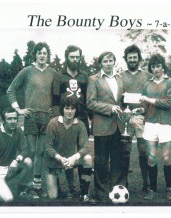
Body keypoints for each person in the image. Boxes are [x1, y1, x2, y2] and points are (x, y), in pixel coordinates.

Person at [6, 42, 56, 198]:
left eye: (45, 53)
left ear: (48, 55)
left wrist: (54, 111)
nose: (42, 55)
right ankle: (23, 185)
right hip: (30, 117)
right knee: (31, 151)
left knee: (41, 152)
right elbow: (11, 90)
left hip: (47, 118)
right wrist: (18, 109)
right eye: (39, 53)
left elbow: (57, 95)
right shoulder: (27, 71)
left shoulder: (53, 72)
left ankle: (36, 186)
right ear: (35, 55)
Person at [86, 51, 126, 202]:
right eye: (105, 61)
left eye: (110, 61)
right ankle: (101, 193)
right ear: (100, 64)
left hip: (119, 126)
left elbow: (122, 102)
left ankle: (116, 191)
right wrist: (110, 108)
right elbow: (90, 102)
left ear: (114, 62)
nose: (108, 64)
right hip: (102, 126)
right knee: (101, 162)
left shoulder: (120, 79)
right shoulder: (93, 79)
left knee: (117, 160)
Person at [52, 45, 91, 198]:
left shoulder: (84, 76)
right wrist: (58, 119)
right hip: (64, 119)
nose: (75, 59)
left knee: (82, 153)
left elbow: (88, 99)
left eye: (77, 57)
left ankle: (83, 190)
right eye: (72, 57)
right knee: (65, 152)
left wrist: (90, 118)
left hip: (81, 119)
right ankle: (67, 187)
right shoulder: (59, 76)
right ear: (66, 57)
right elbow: (55, 99)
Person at [137, 54, 171, 200]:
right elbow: (145, 106)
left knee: (167, 158)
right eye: (153, 66)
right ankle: (152, 190)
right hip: (150, 123)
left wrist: (148, 99)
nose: (156, 69)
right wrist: (140, 110)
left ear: (163, 66)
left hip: (165, 124)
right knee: (151, 158)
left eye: (158, 66)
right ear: (151, 68)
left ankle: (169, 189)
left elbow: (167, 103)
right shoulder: (147, 84)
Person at [43, 96, 96, 204]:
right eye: (67, 108)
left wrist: (73, 158)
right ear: (62, 109)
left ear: (76, 110)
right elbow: (48, 147)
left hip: (70, 161)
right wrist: (59, 157)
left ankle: (84, 193)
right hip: (53, 161)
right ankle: (57, 181)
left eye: (72, 108)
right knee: (53, 197)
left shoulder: (80, 124)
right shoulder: (53, 123)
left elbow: (85, 147)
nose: (69, 111)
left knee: (88, 159)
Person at [120, 44, 152, 193]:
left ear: (139, 59)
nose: (132, 60)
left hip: (141, 118)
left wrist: (145, 111)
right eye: (129, 57)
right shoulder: (120, 76)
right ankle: (123, 182)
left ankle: (146, 183)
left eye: (135, 57)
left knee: (143, 151)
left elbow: (151, 97)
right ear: (126, 59)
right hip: (125, 118)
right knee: (124, 152)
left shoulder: (147, 75)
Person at [0, 108, 33, 203]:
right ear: (3, 120)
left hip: (11, 169)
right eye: (9, 119)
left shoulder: (18, 131)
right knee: (9, 199)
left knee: (28, 161)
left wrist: (16, 160)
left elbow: (25, 150)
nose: (13, 121)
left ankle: (21, 189)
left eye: (15, 118)